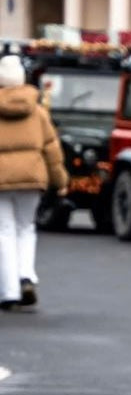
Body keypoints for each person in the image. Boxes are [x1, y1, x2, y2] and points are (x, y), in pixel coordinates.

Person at [0, 54, 68, 310]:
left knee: (4, 232)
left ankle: (8, 293)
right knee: (26, 228)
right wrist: (60, 181)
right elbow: (51, 149)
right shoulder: (37, 112)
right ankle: (26, 275)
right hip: (32, 179)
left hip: (2, 181)